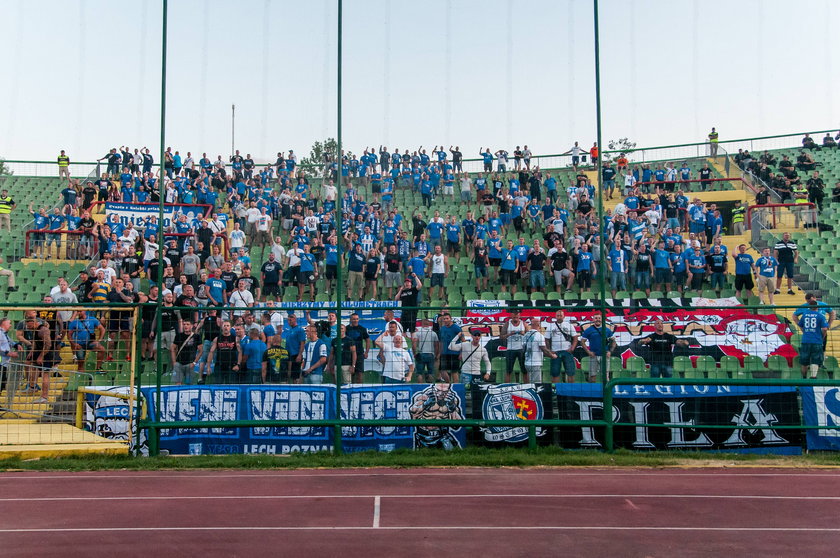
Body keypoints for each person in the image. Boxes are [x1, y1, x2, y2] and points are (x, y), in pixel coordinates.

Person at [798, 300, 829, 379]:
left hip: (806, 340)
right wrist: (822, 337)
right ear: (817, 307)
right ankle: (813, 377)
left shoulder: (804, 315)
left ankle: (804, 377)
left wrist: (805, 331)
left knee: (804, 361)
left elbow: (800, 325)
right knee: (815, 360)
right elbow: (825, 329)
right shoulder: (820, 316)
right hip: (817, 340)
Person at [581, 314, 615, 383]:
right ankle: (592, 391)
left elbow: (614, 342)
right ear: (593, 320)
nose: (598, 320)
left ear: (602, 319)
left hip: (605, 355)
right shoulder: (589, 330)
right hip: (593, 355)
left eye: (599, 318)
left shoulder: (607, 330)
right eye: (596, 318)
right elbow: (582, 342)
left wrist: (610, 352)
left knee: (605, 375)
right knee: (592, 375)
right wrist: (588, 352)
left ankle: (605, 391)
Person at [546, 310, 578, 382]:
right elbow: (546, 340)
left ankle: (571, 389)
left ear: (564, 316)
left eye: (561, 316)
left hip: (567, 351)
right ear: (555, 316)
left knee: (570, 372)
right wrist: (549, 350)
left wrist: (572, 348)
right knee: (555, 373)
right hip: (555, 352)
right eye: (558, 316)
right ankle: (555, 390)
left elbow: (575, 338)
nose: (559, 317)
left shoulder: (569, 325)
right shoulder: (551, 326)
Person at [522, 318, 557, 383]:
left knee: (530, 381)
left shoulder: (526, 335)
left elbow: (523, 348)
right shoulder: (539, 336)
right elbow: (544, 349)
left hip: (527, 362)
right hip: (535, 362)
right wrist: (553, 356)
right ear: (539, 325)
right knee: (536, 383)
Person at [170, 320, 202, 385]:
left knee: (189, 385)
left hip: (190, 364)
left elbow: (201, 350)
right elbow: (172, 348)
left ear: (192, 326)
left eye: (187, 324)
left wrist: (194, 362)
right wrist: (174, 362)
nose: (185, 326)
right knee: (177, 385)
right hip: (179, 363)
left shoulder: (197, 337)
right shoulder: (179, 336)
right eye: (184, 324)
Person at [499, 310, 526, 383]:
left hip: (521, 349)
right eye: (514, 317)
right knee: (508, 370)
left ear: (519, 316)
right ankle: (506, 385)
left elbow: (529, 335)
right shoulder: (507, 324)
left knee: (524, 370)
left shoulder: (523, 324)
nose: (516, 319)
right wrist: (509, 334)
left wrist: (523, 334)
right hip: (510, 349)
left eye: (517, 317)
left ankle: (527, 385)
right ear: (511, 316)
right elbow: (501, 337)